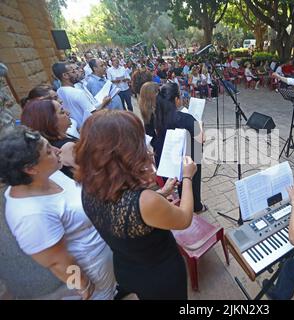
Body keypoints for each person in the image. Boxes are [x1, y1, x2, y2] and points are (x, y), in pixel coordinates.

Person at [74, 110, 197, 299]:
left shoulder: (88, 186)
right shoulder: (144, 201)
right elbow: (184, 219)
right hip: (160, 276)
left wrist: (161, 193)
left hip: (126, 267)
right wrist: (187, 176)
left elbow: (120, 211)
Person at [0, 126, 116, 300]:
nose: (56, 150)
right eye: (48, 151)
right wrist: (83, 285)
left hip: (103, 254)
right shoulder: (30, 215)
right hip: (92, 269)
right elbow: (56, 262)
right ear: (30, 169)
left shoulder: (45, 175)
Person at [152, 83, 207, 213]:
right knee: (192, 182)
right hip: (189, 158)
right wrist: (199, 124)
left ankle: (182, 201)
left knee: (178, 183)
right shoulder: (186, 117)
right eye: (180, 96)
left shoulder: (157, 116)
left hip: (168, 158)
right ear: (176, 100)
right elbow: (202, 138)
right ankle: (195, 206)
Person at [20, 99, 77, 179]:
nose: (68, 113)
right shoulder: (67, 147)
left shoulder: (51, 143)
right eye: (62, 112)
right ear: (50, 121)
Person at [53, 62, 111, 130]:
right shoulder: (78, 93)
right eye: (73, 71)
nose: (77, 73)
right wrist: (104, 103)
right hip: (90, 129)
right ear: (65, 75)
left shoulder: (59, 91)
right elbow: (94, 114)